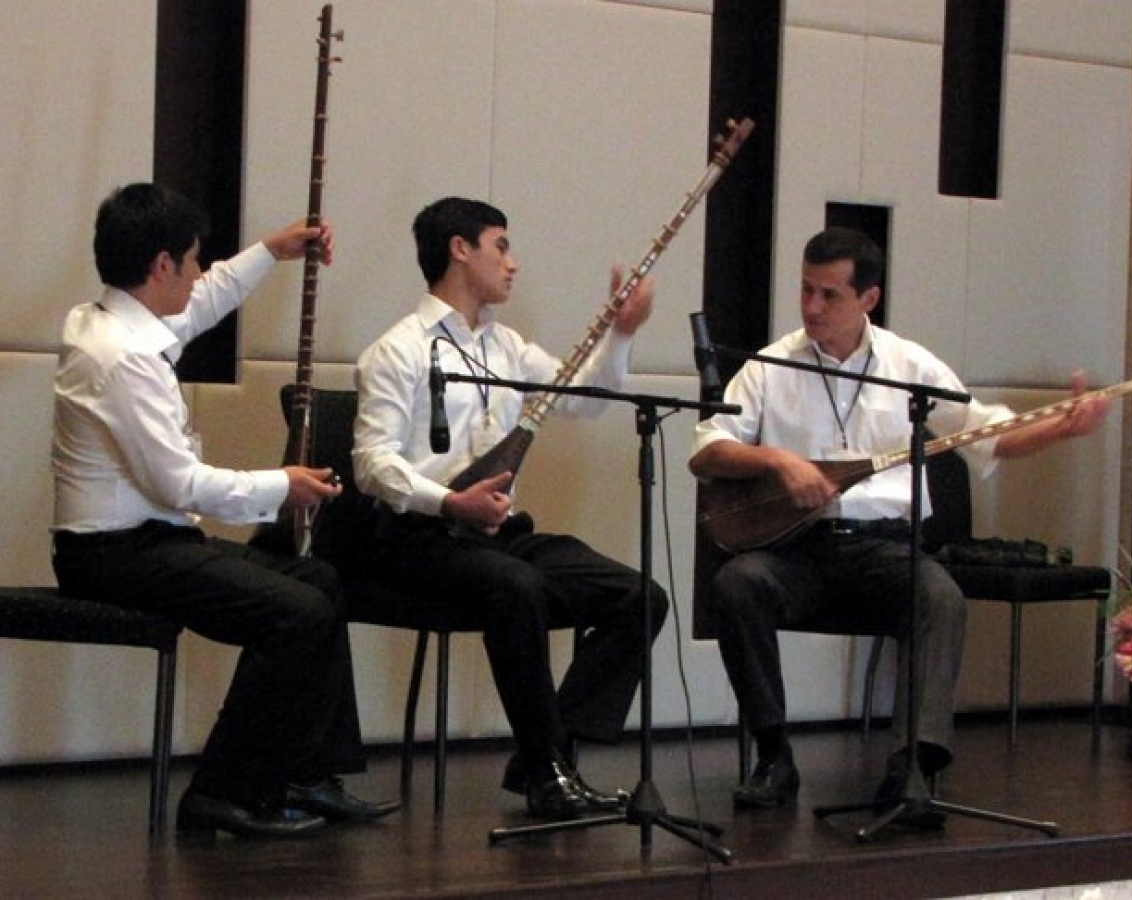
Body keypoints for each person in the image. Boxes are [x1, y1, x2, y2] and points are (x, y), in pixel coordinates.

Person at [688, 226, 1110, 825]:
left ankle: (912, 767)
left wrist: (1063, 427)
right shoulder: (769, 366)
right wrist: (780, 462)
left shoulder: (908, 367)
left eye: (829, 295)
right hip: (796, 549)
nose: (811, 307)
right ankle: (774, 756)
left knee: (939, 594)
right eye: (805, 290)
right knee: (737, 583)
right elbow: (708, 450)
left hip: (882, 549)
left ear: (868, 299)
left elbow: (989, 433)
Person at [52, 183, 399, 838]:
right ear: (161, 266)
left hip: (148, 545)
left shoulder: (107, 319)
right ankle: (222, 792)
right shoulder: (122, 359)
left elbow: (202, 302)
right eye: (192, 260)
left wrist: (272, 249)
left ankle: (304, 772)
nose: (197, 274)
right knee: (295, 614)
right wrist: (282, 485)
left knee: (318, 580)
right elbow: (180, 485)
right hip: (113, 557)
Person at [352, 196, 669, 821]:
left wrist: (623, 330)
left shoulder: (510, 349)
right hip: (419, 536)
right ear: (460, 249)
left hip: (494, 534)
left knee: (639, 597)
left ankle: (543, 759)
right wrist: (448, 499)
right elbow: (371, 462)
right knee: (516, 586)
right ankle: (549, 769)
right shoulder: (397, 350)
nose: (513, 263)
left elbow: (585, 401)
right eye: (502, 245)